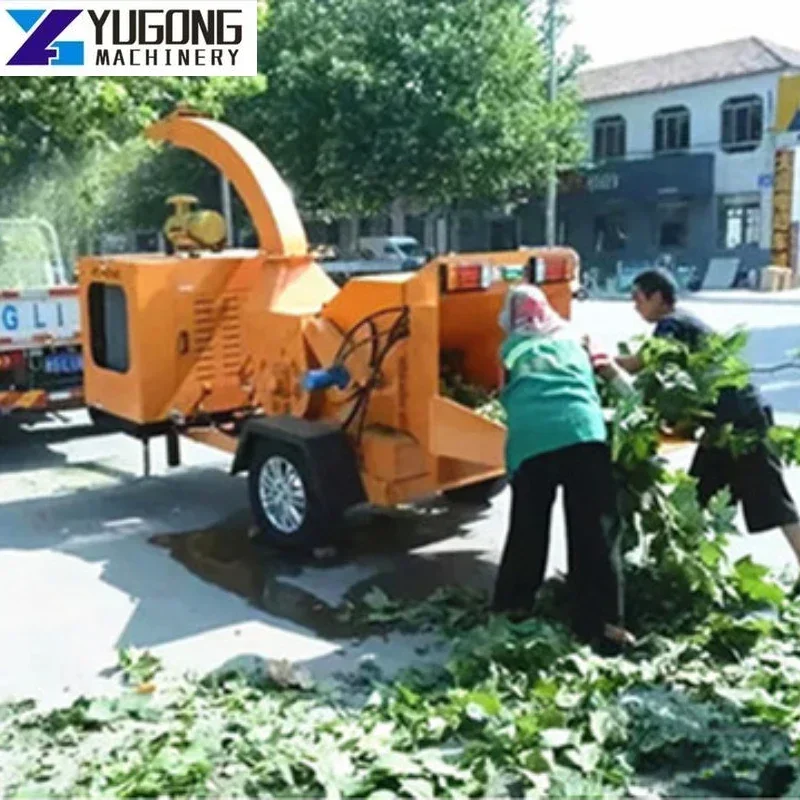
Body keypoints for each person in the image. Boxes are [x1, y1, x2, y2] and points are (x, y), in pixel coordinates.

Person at [618, 268, 800, 565]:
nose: (635, 306)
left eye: (638, 298)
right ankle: (684, 567)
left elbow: (646, 362)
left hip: (740, 423)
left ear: (658, 297)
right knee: (699, 496)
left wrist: (603, 363)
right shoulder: (683, 322)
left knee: (770, 498)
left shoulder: (672, 323)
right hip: (719, 426)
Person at [492, 283, 635, 652]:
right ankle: (601, 625)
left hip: (532, 442)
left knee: (528, 528)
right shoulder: (579, 337)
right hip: (582, 432)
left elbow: (506, 395)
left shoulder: (508, 349)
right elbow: (611, 373)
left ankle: (512, 611)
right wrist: (641, 407)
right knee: (595, 532)